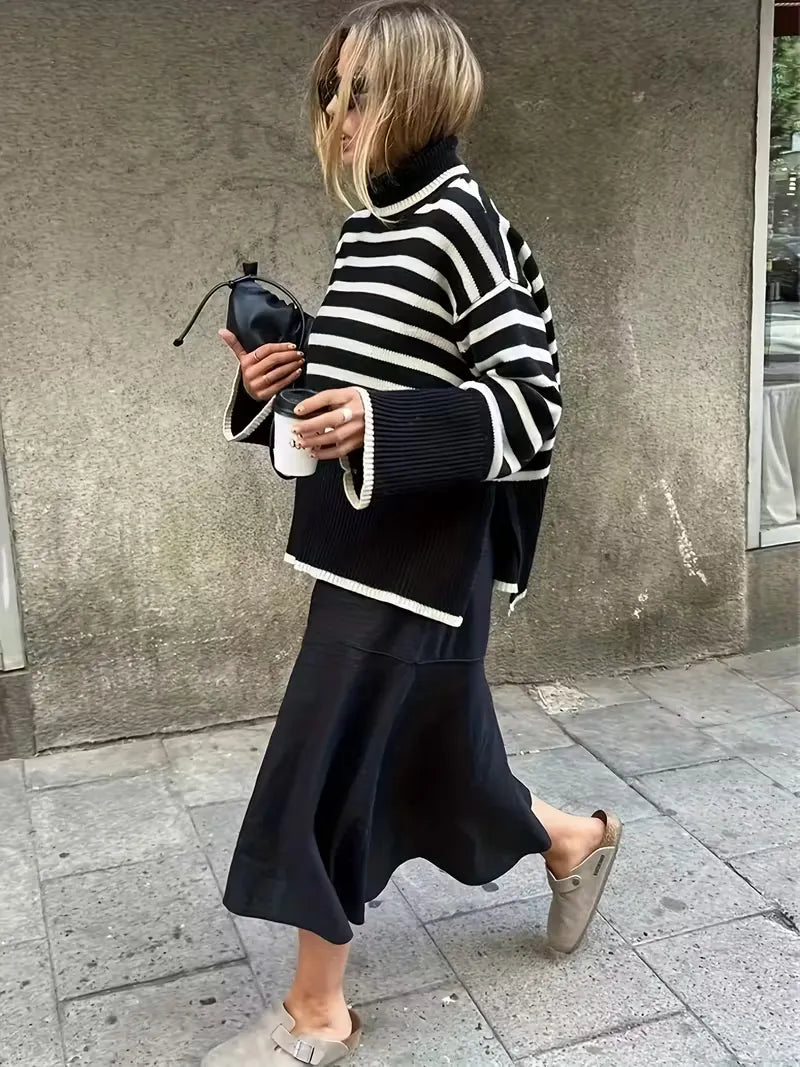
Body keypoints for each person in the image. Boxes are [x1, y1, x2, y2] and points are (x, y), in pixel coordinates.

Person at [204, 3, 622, 1064]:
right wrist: (282, 379)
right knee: (441, 762)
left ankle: (316, 1010)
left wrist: (381, 420)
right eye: (329, 90)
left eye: (359, 89)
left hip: (426, 571)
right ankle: (572, 836)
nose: (337, 112)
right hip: (361, 555)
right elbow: (368, 383)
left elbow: (531, 409)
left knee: (329, 761)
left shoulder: (461, 224)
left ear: (420, 93)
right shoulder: (373, 226)